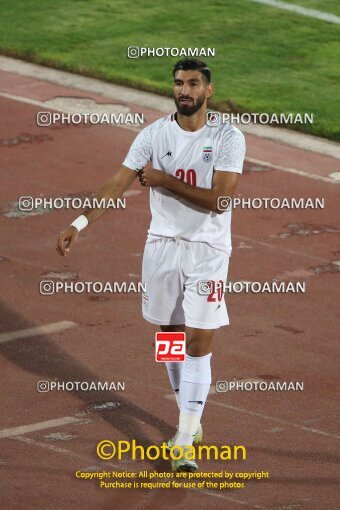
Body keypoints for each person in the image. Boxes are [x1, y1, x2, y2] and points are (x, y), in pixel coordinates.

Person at [57, 58, 245, 472]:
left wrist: (163, 180)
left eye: (194, 84)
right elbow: (116, 183)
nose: (185, 91)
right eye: (179, 83)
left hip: (207, 250)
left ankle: (183, 439)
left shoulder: (228, 137)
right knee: (169, 339)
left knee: (199, 341)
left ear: (208, 91)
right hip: (161, 247)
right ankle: (189, 417)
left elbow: (221, 201)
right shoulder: (153, 135)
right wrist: (80, 221)